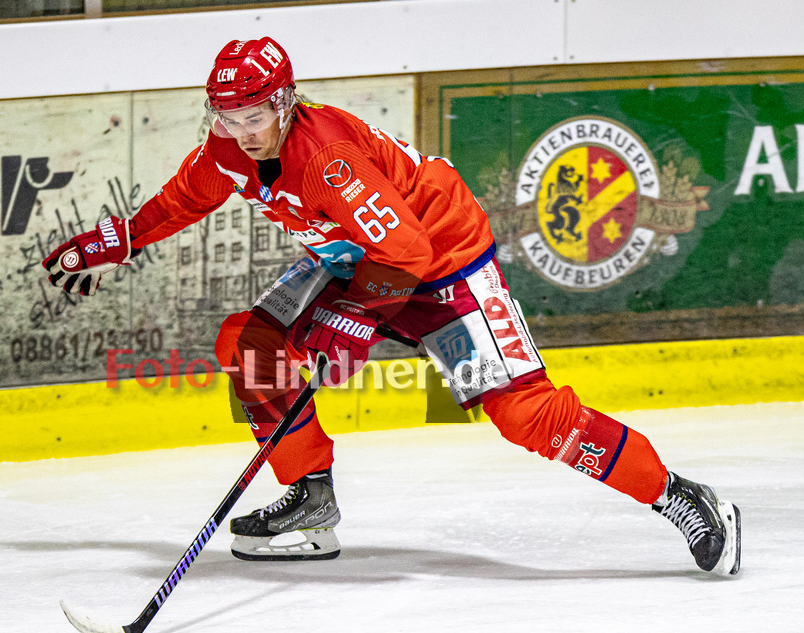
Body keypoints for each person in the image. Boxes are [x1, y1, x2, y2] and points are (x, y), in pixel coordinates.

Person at [43, 37, 741, 574]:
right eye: (225, 114)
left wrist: (352, 320)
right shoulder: (230, 147)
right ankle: (310, 499)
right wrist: (119, 238)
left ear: (284, 104)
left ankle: (679, 494)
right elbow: (187, 195)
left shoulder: (329, 159)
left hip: (443, 268)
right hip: (356, 260)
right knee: (251, 345)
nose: (240, 128)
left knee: (528, 416)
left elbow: (406, 251)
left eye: (254, 114)